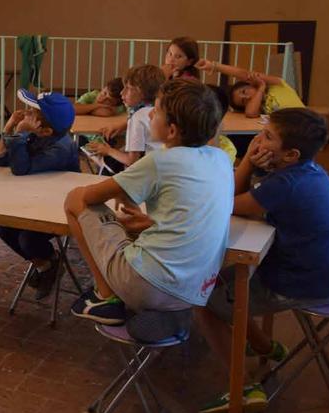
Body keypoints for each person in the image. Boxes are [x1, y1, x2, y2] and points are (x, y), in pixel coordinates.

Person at [198, 108, 329, 413]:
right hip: (320, 277)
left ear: (290, 154)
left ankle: (241, 386)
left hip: (299, 285)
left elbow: (228, 203)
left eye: (267, 136)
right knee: (226, 282)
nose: (258, 140)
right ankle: (264, 345)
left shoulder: (284, 184)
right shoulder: (308, 171)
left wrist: (248, 162)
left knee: (202, 298)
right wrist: (256, 165)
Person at [64, 79, 232, 337]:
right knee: (128, 222)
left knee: (74, 198)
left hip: (146, 286)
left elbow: (90, 196)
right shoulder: (220, 158)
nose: (150, 114)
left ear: (172, 130)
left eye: (156, 110)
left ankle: (105, 297)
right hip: (196, 291)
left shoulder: (160, 160)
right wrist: (148, 221)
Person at [0, 90, 79, 299]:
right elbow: (1, 160)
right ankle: (46, 265)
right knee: (2, 227)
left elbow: (20, 169)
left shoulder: (60, 148)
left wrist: (20, 133)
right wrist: (10, 127)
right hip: (35, 200)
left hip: (58, 208)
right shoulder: (36, 133)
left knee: (28, 240)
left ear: (46, 131)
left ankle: (48, 262)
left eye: (33, 112)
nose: (27, 113)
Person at [86, 65, 166, 169]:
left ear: (142, 93)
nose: (121, 93)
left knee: (106, 162)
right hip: (162, 167)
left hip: (147, 173)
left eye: (128, 88)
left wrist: (108, 151)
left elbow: (132, 161)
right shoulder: (160, 110)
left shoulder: (137, 117)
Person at [196, 58, 305, 118]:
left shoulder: (276, 85)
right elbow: (250, 113)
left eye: (244, 91)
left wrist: (215, 66)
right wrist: (260, 88)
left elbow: (246, 74)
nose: (247, 97)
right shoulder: (260, 107)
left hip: (305, 120)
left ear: (250, 84)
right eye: (244, 101)